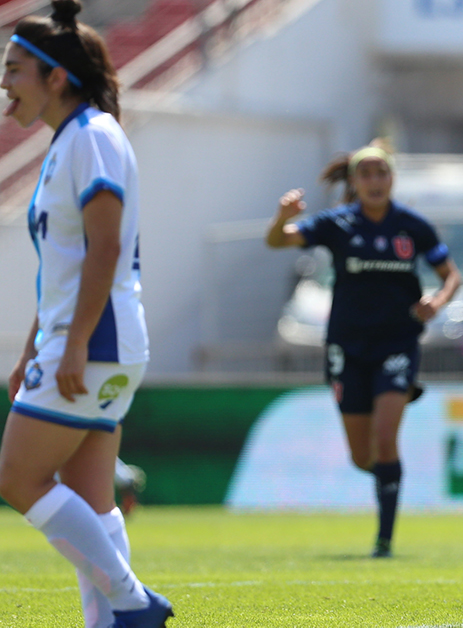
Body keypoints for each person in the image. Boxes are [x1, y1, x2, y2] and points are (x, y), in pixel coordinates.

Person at [0, 2, 174, 626]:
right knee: (91, 499)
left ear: (55, 76)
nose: (4, 85)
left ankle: (131, 603)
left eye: (14, 70)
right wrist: (32, 351)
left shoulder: (92, 136)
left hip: (95, 339)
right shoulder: (71, 141)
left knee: (18, 478)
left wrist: (71, 347)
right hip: (93, 337)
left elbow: (105, 248)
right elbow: (66, 266)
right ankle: (111, 621)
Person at [266, 141, 462, 558]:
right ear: (354, 182)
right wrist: (282, 219)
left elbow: (451, 276)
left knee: (386, 438)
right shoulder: (337, 223)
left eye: (381, 172)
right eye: (365, 174)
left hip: (397, 343)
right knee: (362, 457)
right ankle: (388, 477)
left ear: (392, 178)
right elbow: (278, 242)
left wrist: (437, 302)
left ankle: (384, 540)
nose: (374, 181)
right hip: (347, 348)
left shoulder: (413, 226)